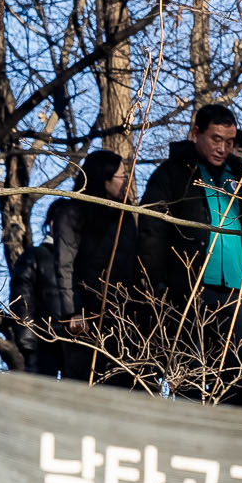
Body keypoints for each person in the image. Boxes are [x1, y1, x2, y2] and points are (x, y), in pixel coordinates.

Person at [139, 102, 242, 393]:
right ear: (196, 133)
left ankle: (231, 435)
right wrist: (155, 284)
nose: (222, 148)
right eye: (215, 139)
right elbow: (151, 231)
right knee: (189, 374)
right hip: (188, 289)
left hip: (235, 292)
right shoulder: (171, 174)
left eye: (229, 142)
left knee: (239, 375)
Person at [45, 150, 141, 384]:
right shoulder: (73, 214)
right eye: (121, 176)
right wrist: (73, 312)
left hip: (124, 320)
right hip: (86, 321)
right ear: (103, 179)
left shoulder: (125, 216)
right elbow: (64, 267)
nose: (127, 181)